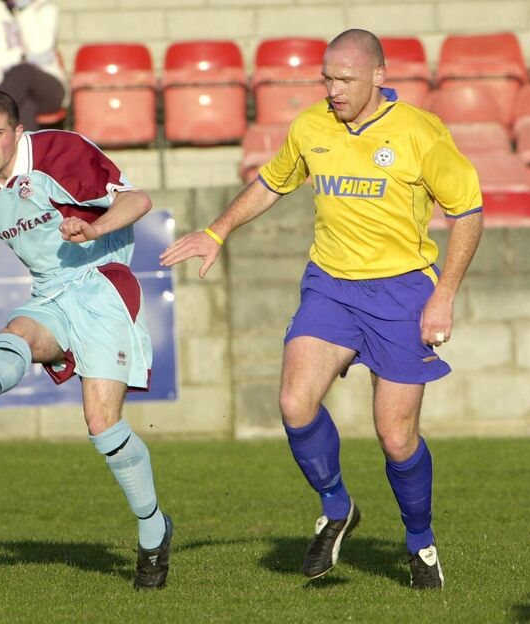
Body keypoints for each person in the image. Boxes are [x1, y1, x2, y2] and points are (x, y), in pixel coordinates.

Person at [160, 29, 483, 590]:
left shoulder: (420, 134)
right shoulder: (312, 126)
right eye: (326, 79)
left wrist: (444, 294)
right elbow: (271, 182)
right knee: (293, 401)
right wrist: (218, 229)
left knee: (396, 437)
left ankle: (419, 542)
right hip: (330, 286)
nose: (332, 90)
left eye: (344, 80)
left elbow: (469, 212)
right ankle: (337, 507)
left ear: (379, 77)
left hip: (403, 293)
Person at [0, 89, 172, 590]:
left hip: (103, 282)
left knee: (102, 425)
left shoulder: (61, 153)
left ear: (17, 132)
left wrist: (96, 229)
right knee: (18, 331)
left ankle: (154, 530)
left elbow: (138, 200)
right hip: (50, 294)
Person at [0, 0, 69, 131]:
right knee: (24, 103)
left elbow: (40, 49)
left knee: (25, 70)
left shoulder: (47, 9)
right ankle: (27, 151)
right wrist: (21, 57)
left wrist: (24, 11)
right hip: (9, 88)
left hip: (47, 88)